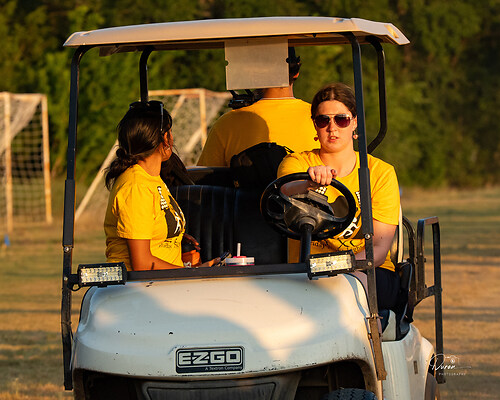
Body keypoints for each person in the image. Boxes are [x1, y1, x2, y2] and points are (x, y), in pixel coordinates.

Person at [277, 82, 401, 310]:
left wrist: (335, 269)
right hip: (305, 272)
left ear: (354, 123)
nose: (332, 128)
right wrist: (308, 183)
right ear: (315, 125)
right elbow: (285, 188)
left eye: (341, 120)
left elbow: (378, 250)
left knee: (344, 293)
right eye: (323, 120)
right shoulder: (297, 163)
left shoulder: (380, 173)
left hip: (365, 268)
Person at [104, 100, 219, 271]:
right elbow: (142, 264)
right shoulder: (137, 186)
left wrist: (173, 235)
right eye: (170, 131)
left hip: (162, 282)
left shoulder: (151, 178)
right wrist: (194, 273)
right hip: (140, 285)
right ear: (165, 137)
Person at [197, 47, 317, 167]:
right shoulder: (320, 119)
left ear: (253, 75)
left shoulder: (226, 124)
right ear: (296, 73)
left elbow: (204, 175)